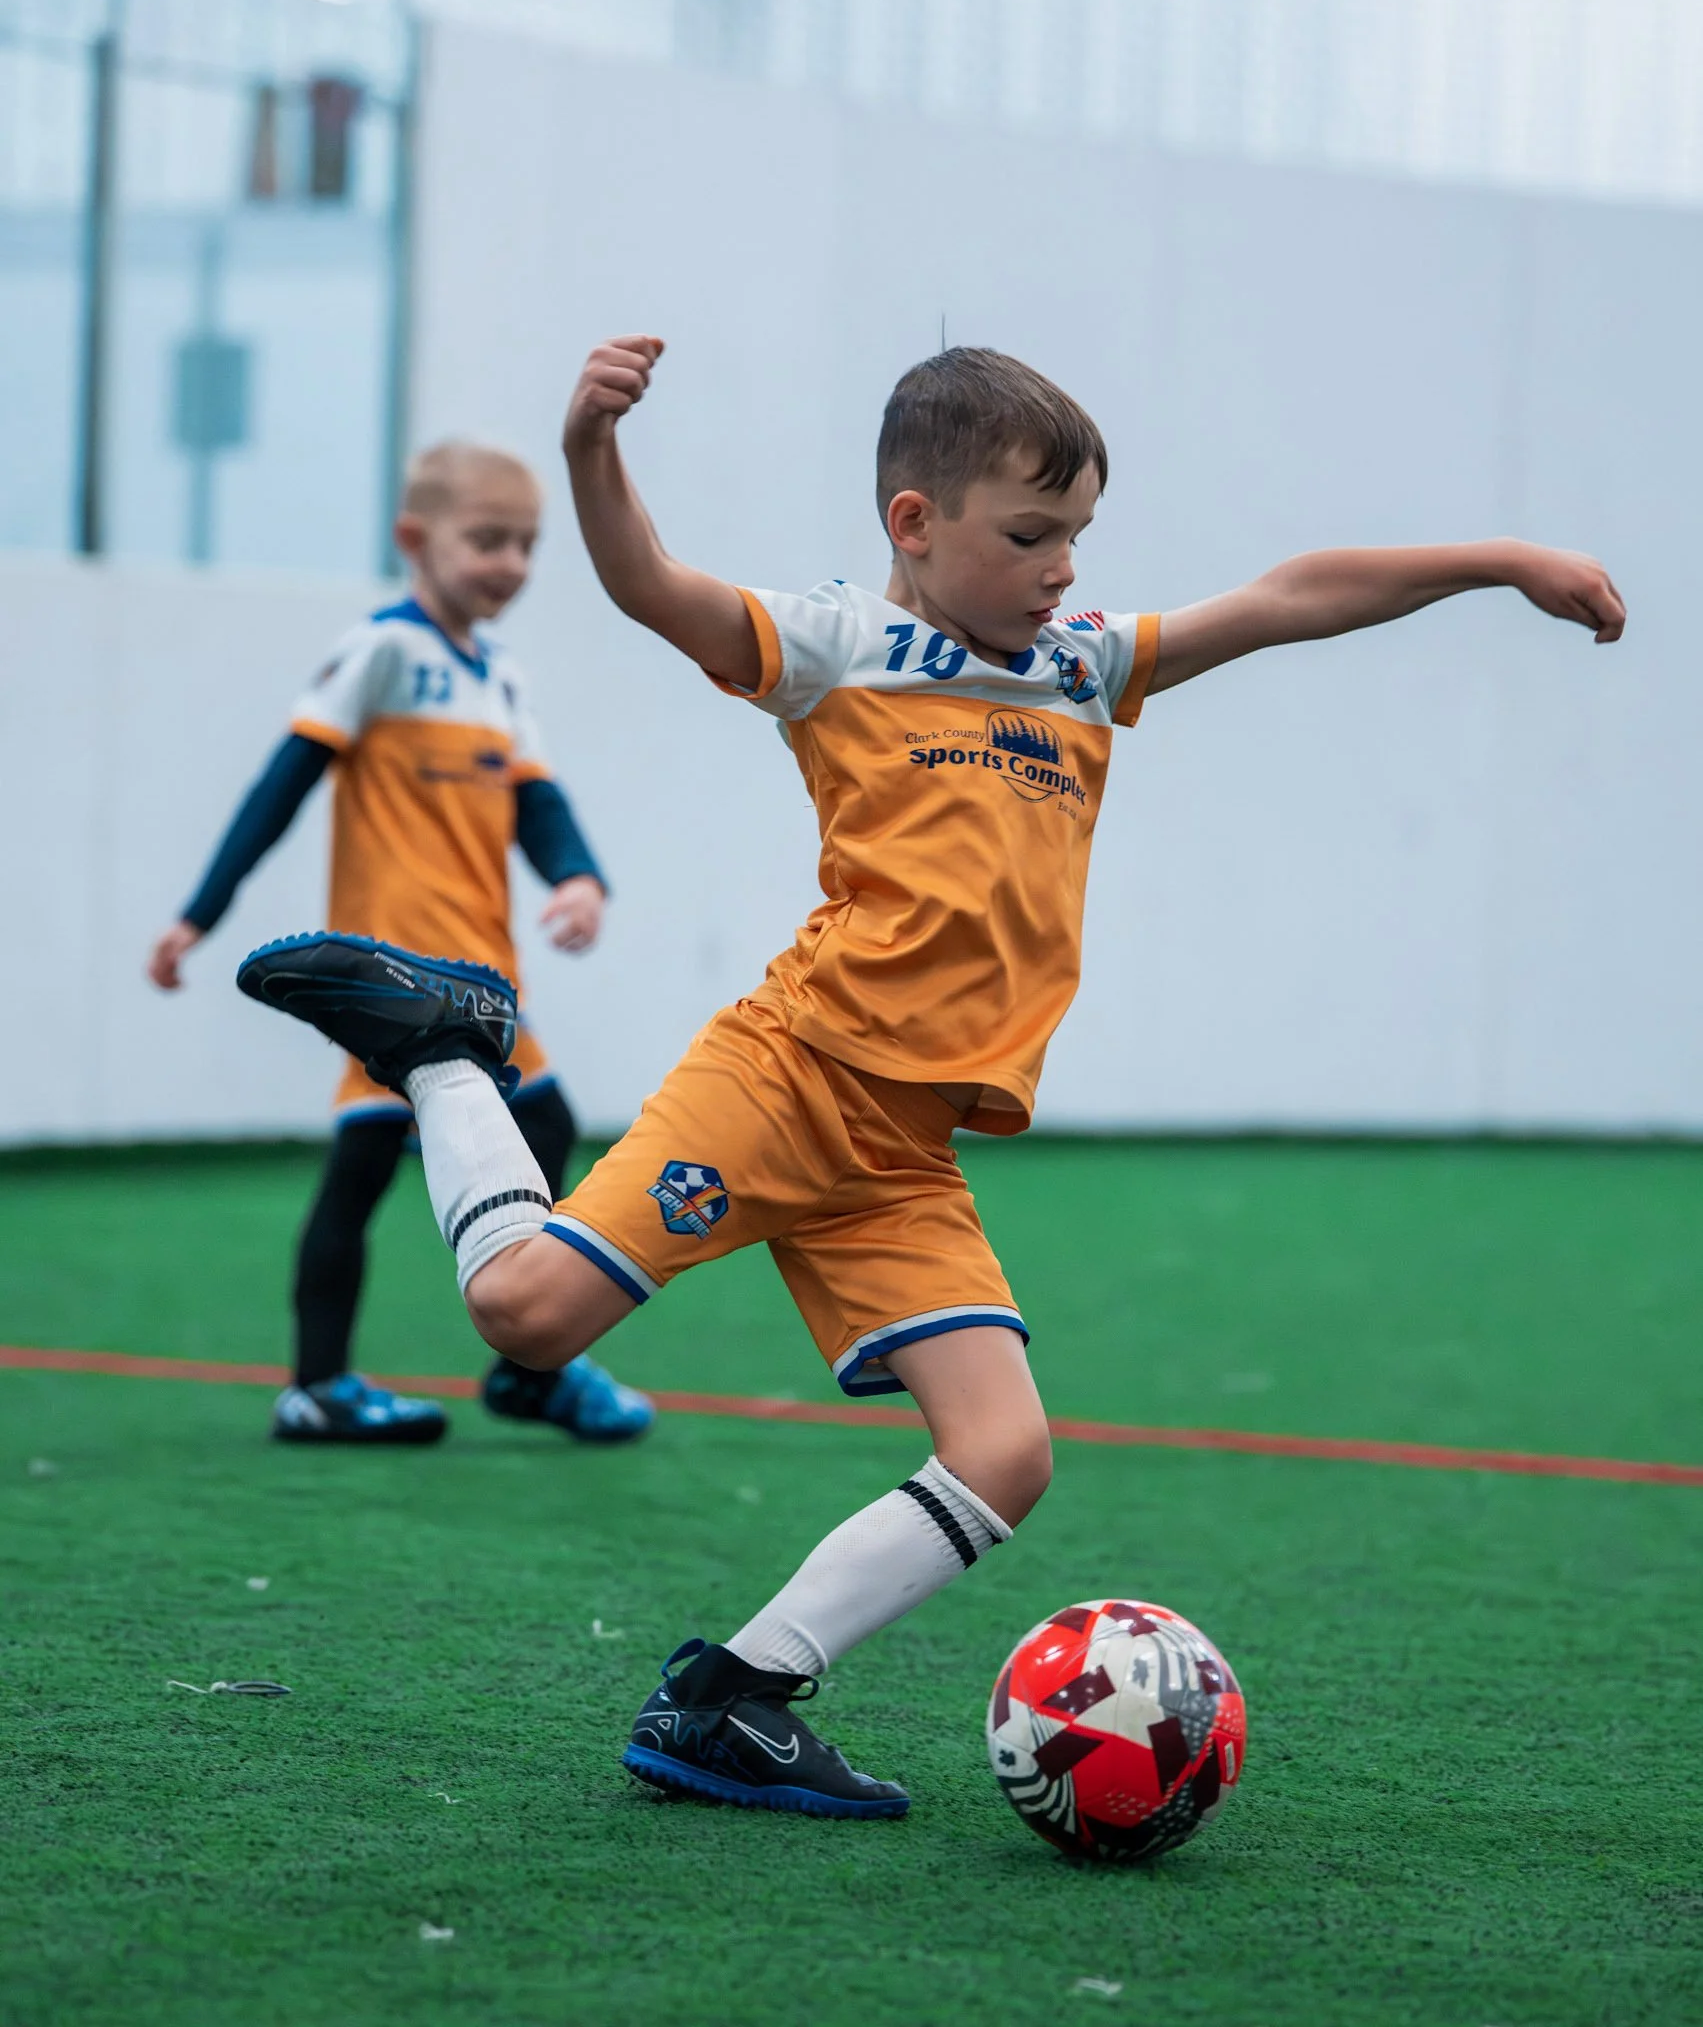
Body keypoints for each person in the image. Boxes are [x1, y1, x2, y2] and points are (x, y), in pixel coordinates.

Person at [235, 340, 1624, 1813]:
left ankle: (733, 1698)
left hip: (900, 1156)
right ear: (913, 521)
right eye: (1028, 534)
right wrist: (590, 449)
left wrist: (1502, 561)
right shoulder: (837, 647)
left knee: (1005, 1452)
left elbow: (1289, 597)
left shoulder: (1085, 667)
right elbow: (651, 586)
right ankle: (446, 1053)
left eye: (1076, 534)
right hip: (787, 1079)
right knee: (521, 1317)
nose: (1058, 567)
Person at [147, 440, 654, 1449]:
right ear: (415, 541)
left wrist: (580, 878)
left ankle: (526, 1371)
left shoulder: (499, 677)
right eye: (486, 540)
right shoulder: (379, 650)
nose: (510, 562)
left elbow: (539, 804)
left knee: (546, 1129)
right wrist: (197, 915)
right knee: (366, 1165)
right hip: (383, 984)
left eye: (525, 544)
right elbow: (278, 786)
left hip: (480, 980)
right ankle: (320, 1383)